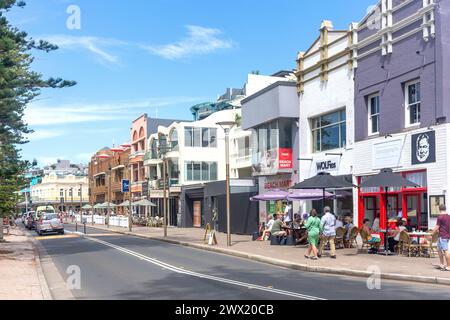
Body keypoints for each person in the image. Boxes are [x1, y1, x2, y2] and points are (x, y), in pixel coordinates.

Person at [433, 204, 450, 271]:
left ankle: (448, 266)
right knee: (439, 249)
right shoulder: (449, 216)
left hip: (443, 236)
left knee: (445, 251)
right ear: (445, 209)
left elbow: (437, 226)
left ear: (439, 209)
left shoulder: (440, 217)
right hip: (445, 235)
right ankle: (442, 264)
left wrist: (432, 233)